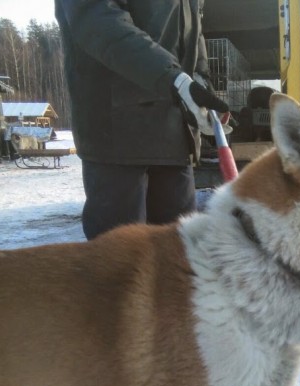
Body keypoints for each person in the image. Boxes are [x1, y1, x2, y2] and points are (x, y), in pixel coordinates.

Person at [55, 0, 230, 240]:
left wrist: (200, 80)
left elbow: (192, 29)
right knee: (121, 258)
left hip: (174, 135)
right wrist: (173, 78)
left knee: (179, 252)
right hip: (117, 135)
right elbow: (97, 20)